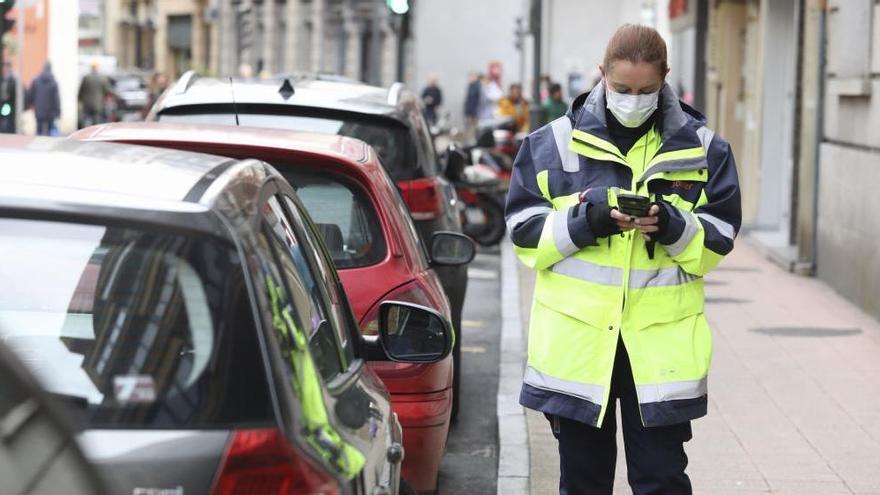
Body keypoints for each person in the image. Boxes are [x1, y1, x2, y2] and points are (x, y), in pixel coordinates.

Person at [504, 24, 741, 494]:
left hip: (658, 352)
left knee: (661, 481)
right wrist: (588, 221)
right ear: (601, 75)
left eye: (647, 90)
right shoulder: (550, 144)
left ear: (666, 78)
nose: (633, 99)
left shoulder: (705, 149)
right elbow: (525, 233)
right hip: (579, 348)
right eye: (622, 89)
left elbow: (718, 238)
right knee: (584, 483)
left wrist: (672, 227)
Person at [28, 62, 60, 136]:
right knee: (50, 131)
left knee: (39, 130)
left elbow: (31, 94)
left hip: (39, 109)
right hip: (51, 111)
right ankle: (48, 144)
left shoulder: (36, 80)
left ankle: (37, 143)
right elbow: (56, 99)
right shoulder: (54, 82)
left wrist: (30, 104)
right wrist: (58, 111)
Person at [78, 62, 113, 128]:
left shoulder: (86, 77)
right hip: (98, 104)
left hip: (87, 103)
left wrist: (79, 100)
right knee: (96, 121)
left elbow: (81, 90)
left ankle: (84, 134)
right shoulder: (102, 78)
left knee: (85, 120)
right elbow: (107, 90)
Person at [464, 72, 482, 140]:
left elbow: (477, 101)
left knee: (475, 128)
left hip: (475, 112)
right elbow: (468, 100)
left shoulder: (477, 87)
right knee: (469, 128)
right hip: (470, 111)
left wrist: (475, 112)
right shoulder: (470, 86)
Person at [0, 61, 17, 134]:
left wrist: (7, 97)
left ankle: (6, 132)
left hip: (8, 103)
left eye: (6, 67)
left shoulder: (12, 79)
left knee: (7, 120)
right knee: (5, 119)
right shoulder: (4, 78)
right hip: (4, 103)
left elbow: (12, 92)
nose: (4, 69)